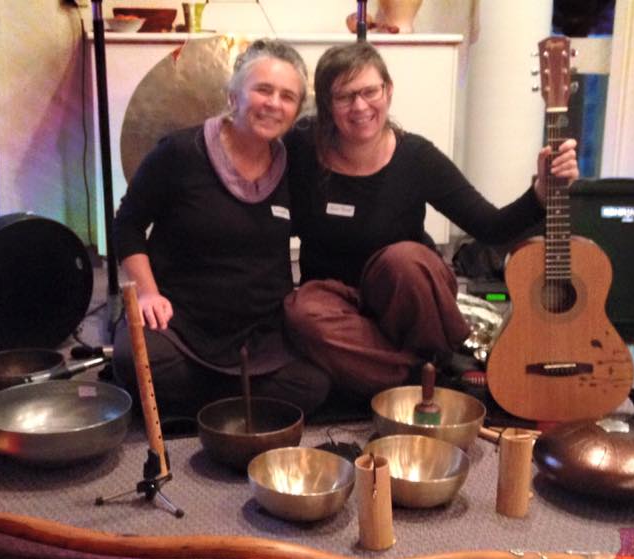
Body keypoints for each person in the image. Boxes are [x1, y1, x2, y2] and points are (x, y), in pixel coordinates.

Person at [283, 42, 580, 398]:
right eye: (345, 96)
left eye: (369, 91)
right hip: (334, 299)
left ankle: (366, 372)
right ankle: (423, 372)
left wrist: (541, 194)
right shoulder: (302, 146)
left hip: (406, 293)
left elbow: (490, 226)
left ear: (388, 91)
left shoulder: (417, 157)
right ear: (328, 104)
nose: (360, 106)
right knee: (300, 315)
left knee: (404, 261)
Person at [112, 39, 330, 419]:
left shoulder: (297, 164)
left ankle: (214, 397)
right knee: (140, 360)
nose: (274, 103)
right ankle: (237, 397)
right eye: (263, 90)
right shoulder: (179, 152)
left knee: (315, 383)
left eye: (287, 96)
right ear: (233, 95)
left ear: (296, 110)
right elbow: (127, 225)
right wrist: (146, 294)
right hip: (180, 323)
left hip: (259, 331)